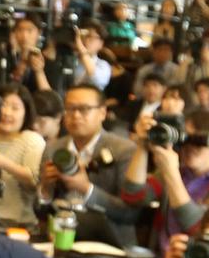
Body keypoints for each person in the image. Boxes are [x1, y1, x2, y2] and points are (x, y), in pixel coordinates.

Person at [122, 106, 209, 250]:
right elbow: (132, 196)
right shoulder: (178, 172)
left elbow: (199, 228)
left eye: (198, 141)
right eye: (184, 140)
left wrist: (171, 173)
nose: (190, 147)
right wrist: (143, 144)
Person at [40, 83, 140, 246]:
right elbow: (40, 210)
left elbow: (129, 213)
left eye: (84, 109)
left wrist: (86, 189)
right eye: (70, 109)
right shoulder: (53, 148)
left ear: (102, 112)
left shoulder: (125, 150)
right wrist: (45, 189)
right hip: (59, 238)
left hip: (108, 245)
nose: (76, 115)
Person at [0, 85, 44, 224]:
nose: (6, 112)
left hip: (17, 222)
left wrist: (1, 162)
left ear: (26, 112)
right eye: (2, 105)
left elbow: (35, 182)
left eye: (15, 108)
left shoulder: (31, 140)